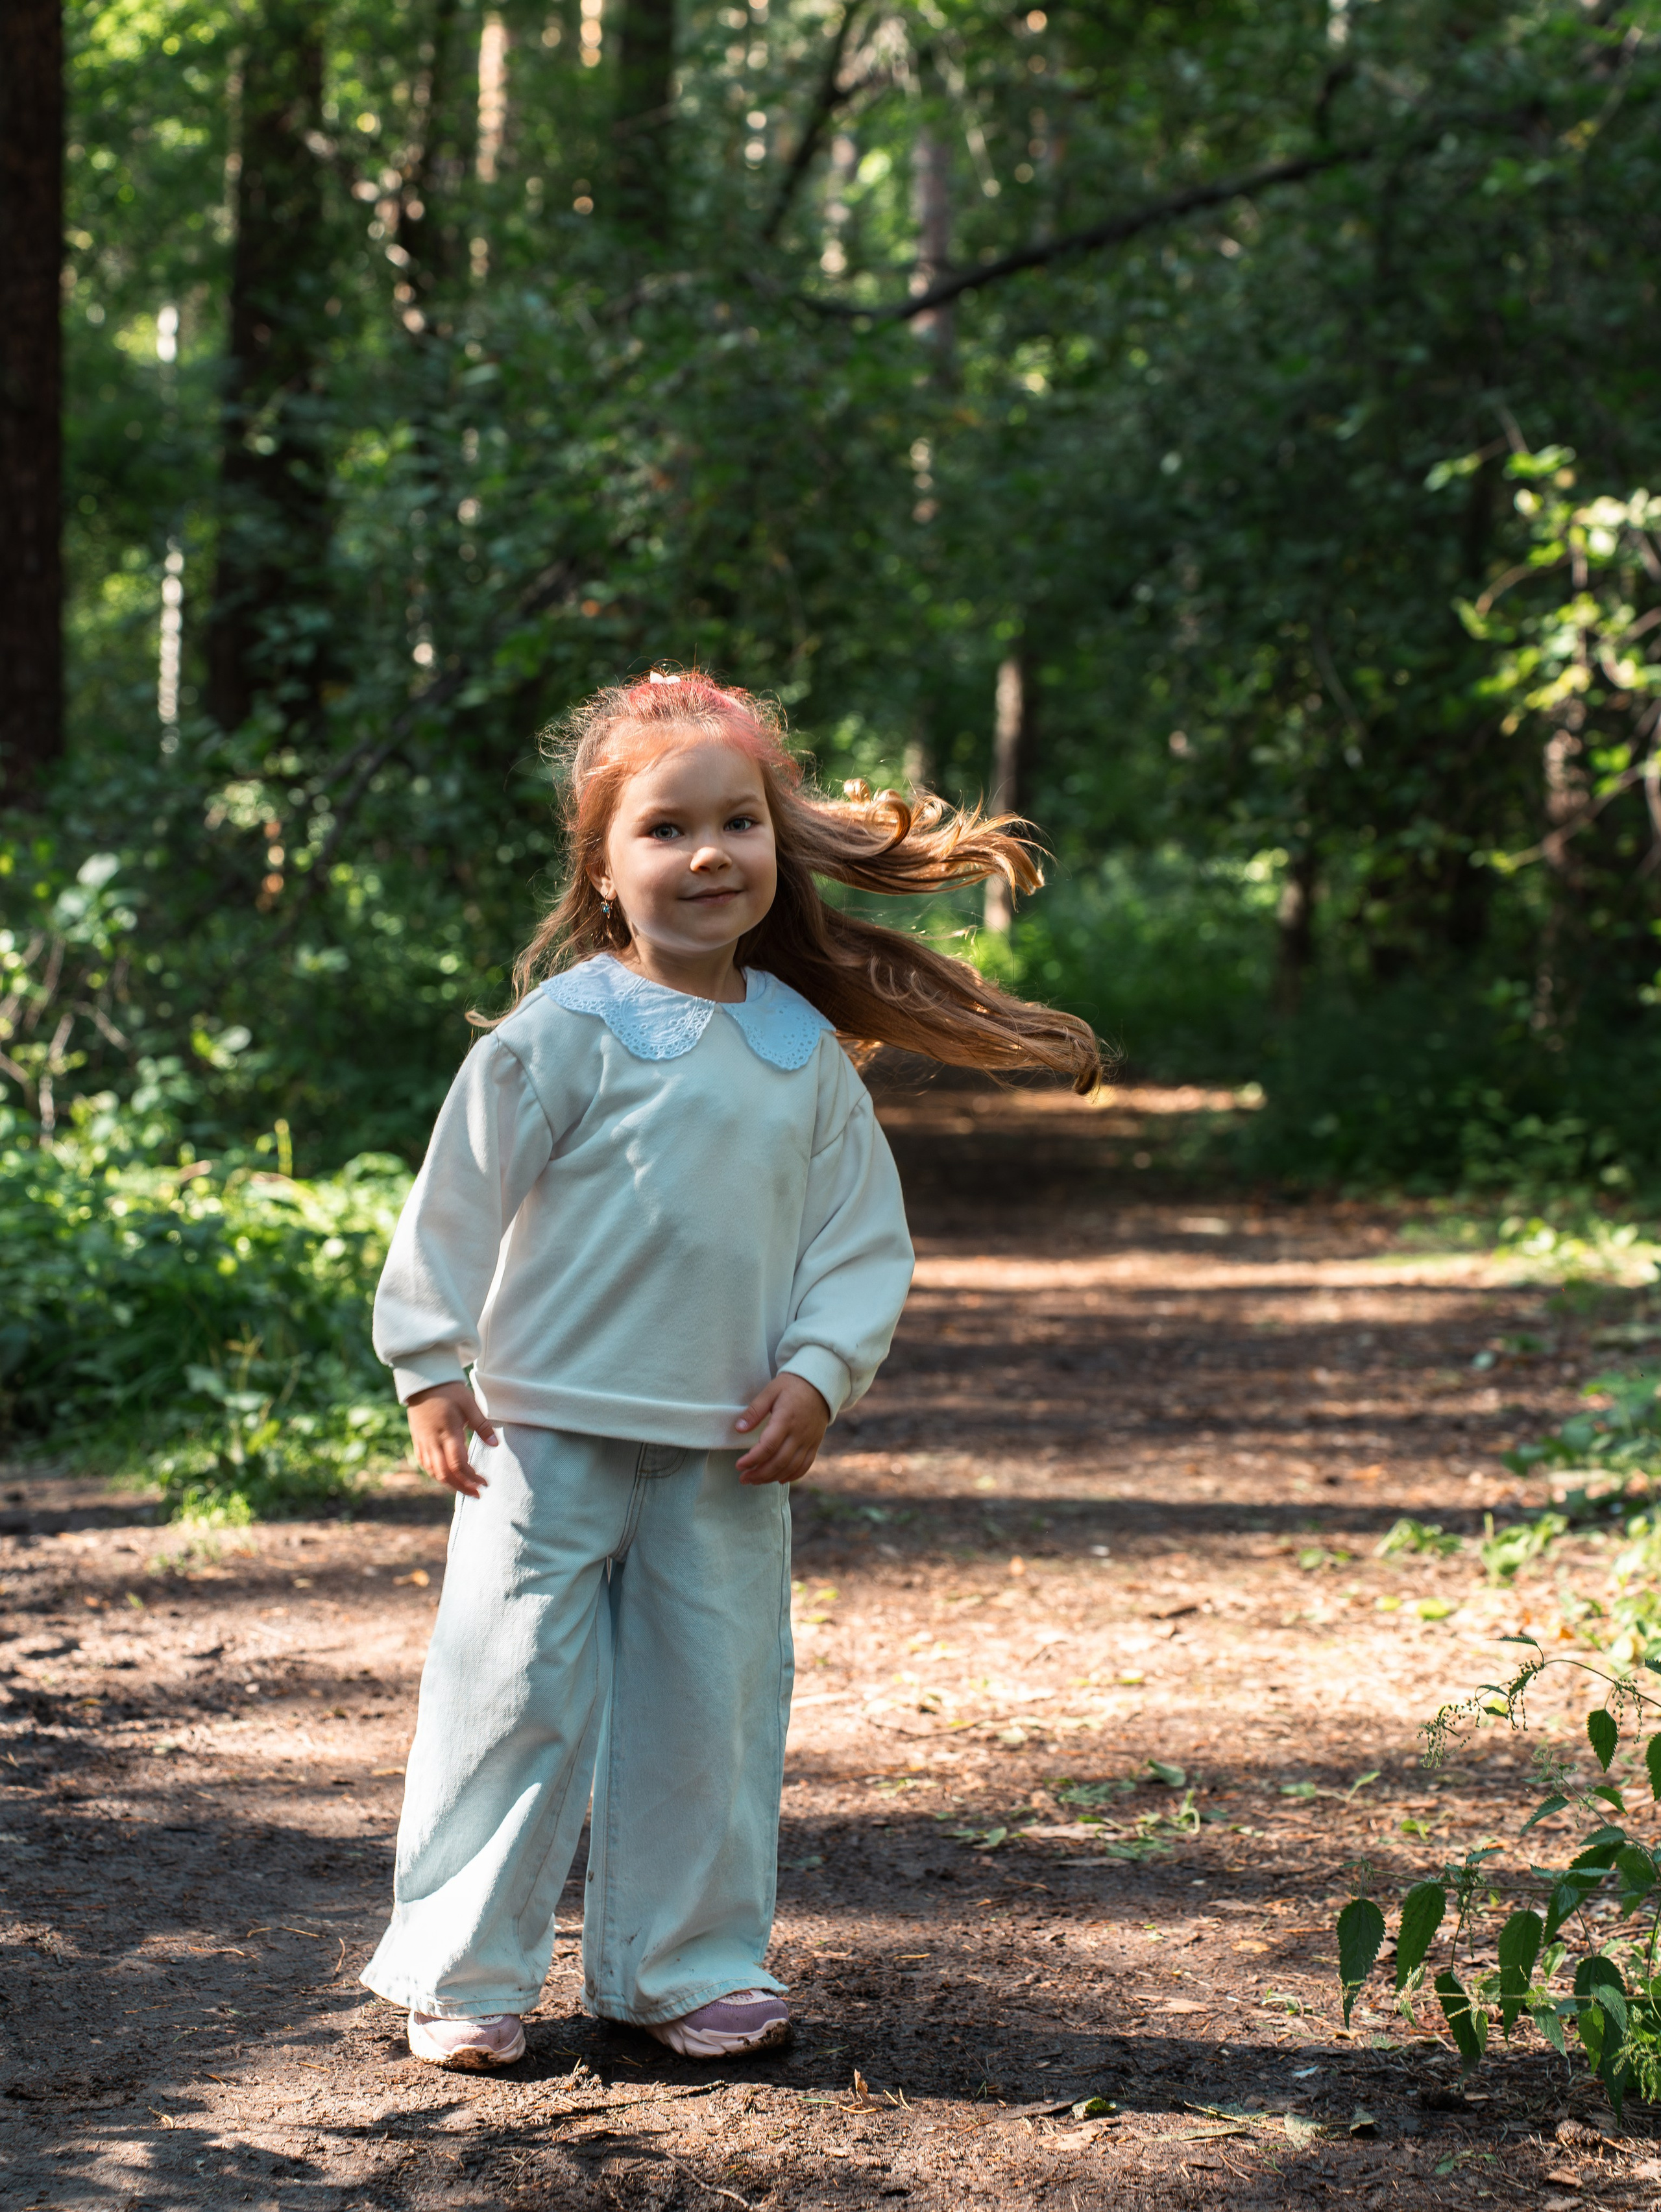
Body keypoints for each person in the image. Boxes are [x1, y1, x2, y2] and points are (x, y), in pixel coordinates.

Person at [361, 669, 1100, 2069]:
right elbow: (452, 1202)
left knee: (712, 1708)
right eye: (666, 828)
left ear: (775, 843)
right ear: (602, 866)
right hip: (537, 1440)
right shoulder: (560, 1034)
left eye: (738, 823)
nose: (708, 854)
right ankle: (463, 1969)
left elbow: (858, 1242)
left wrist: (817, 1374)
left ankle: (682, 1965)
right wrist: (429, 1366)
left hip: (725, 1449)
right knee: (506, 1699)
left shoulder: (800, 1052)